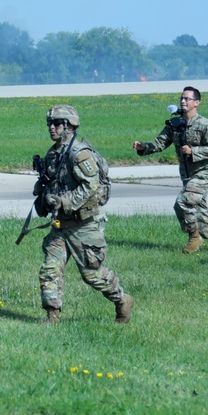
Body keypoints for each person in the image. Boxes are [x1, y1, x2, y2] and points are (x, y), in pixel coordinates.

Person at [35, 104, 135, 325]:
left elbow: (91, 185)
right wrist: (43, 196)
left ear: (70, 126)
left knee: (92, 275)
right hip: (61, 225)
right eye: (50, 123)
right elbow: (54, 182)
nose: (52, 127)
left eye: (57, 123)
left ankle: (122, 300)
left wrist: (65, 201)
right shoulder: (53, 153)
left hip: (85, 225)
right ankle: (52, 316)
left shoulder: (79, 154)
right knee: (50, 270)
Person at [132, 86, 208, 253]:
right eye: (181, 99)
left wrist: (194, 151)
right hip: (186, 175)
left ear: (196, 103)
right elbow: (159, 143)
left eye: (187, 99)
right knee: (199, 210)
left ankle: (194, 238)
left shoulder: (205, 125)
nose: (183, 101)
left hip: (203, 173)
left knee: (182, 203)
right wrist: (143, 147)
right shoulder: (175, 124)